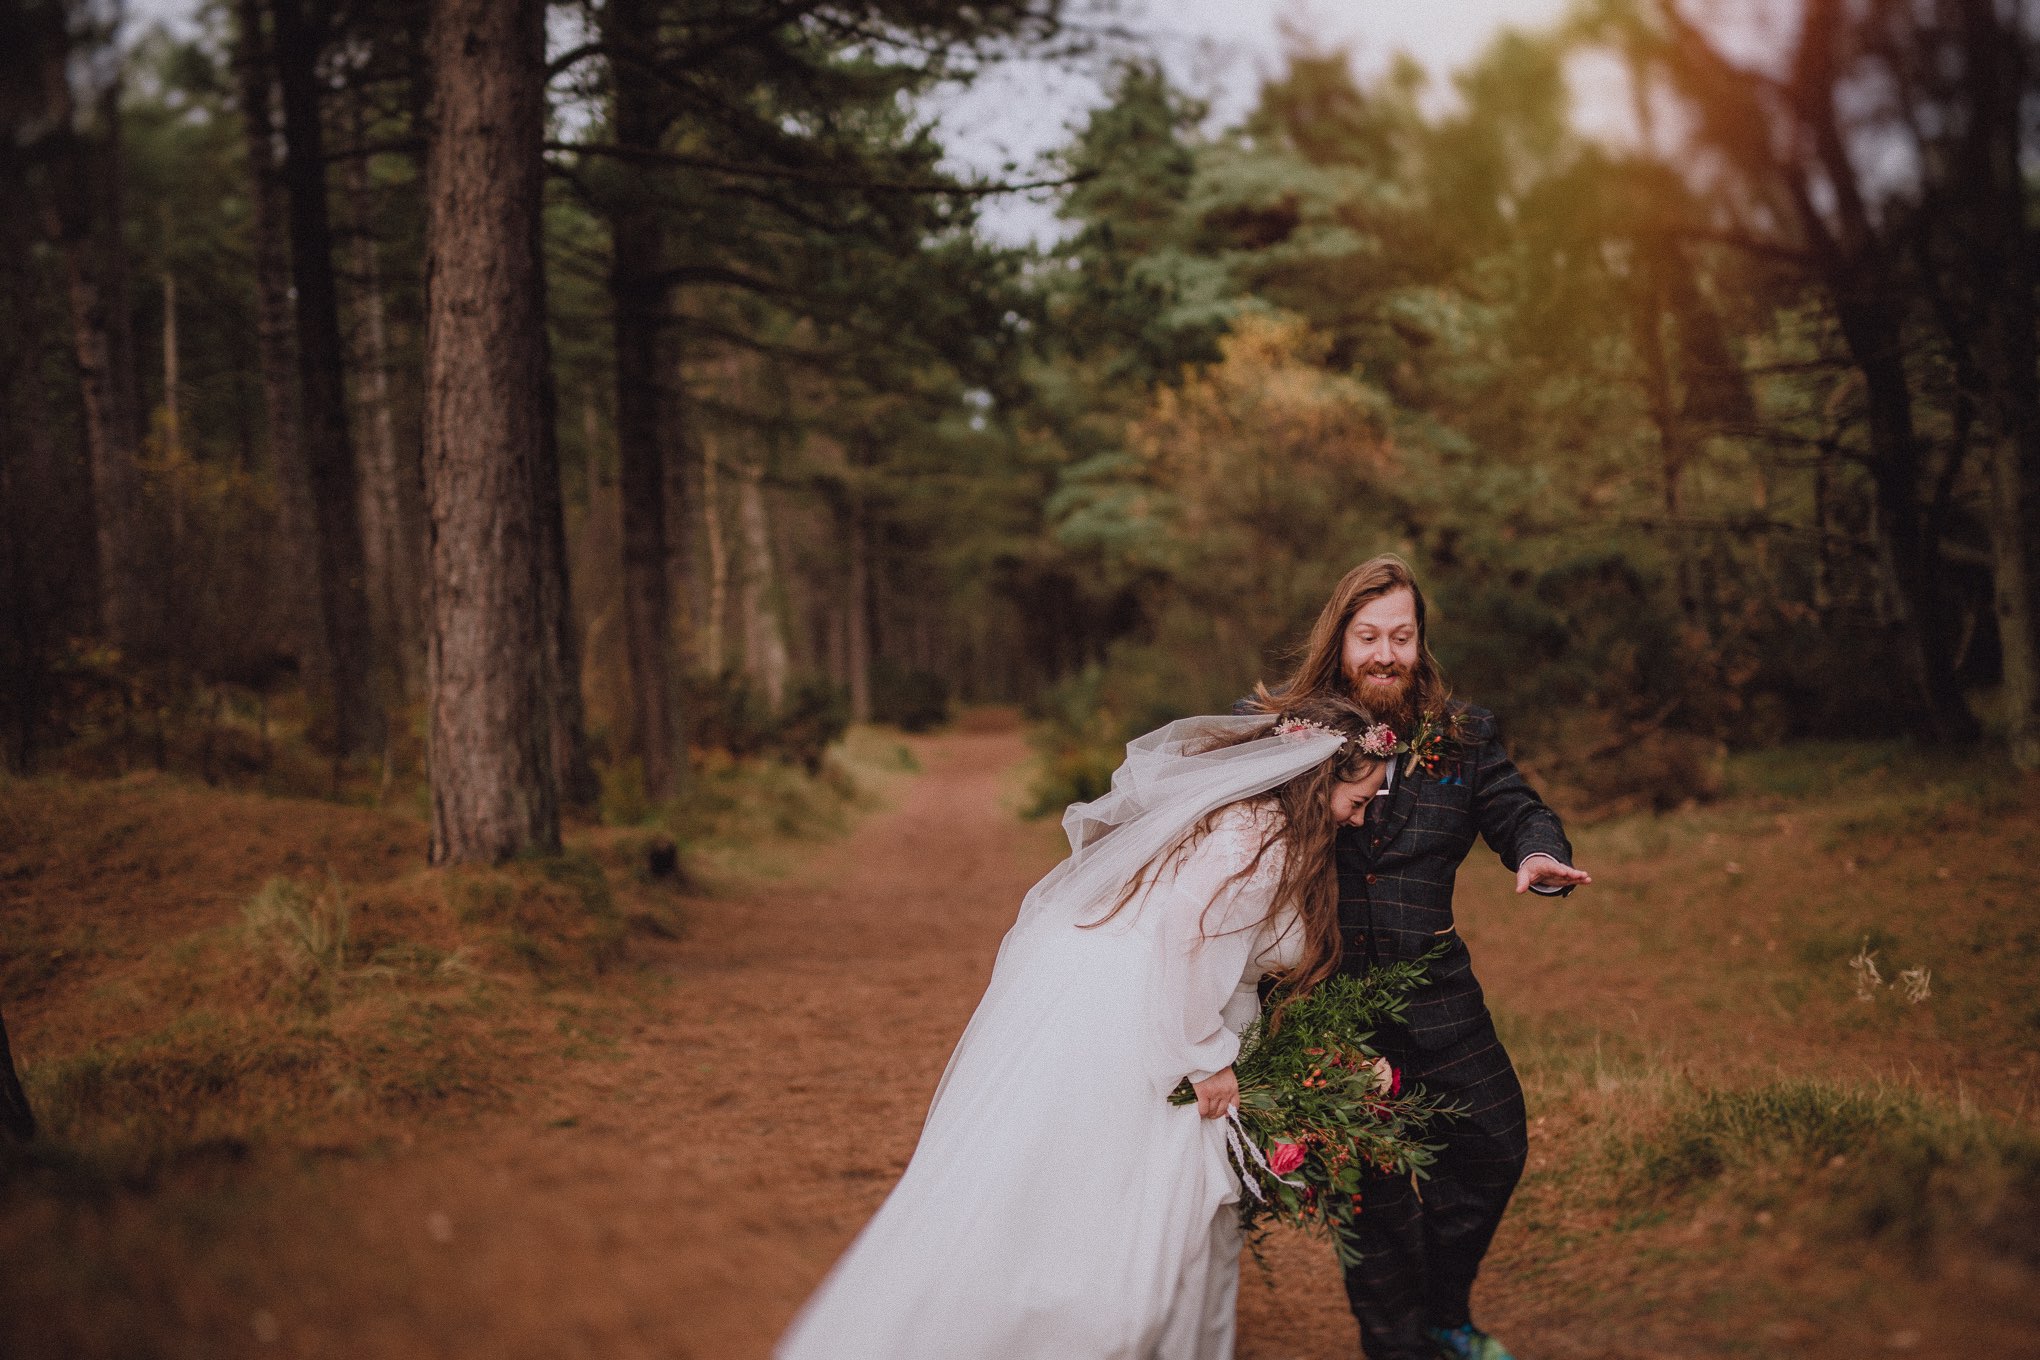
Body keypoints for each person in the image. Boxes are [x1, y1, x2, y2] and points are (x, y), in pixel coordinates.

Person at [777, 696, 1393, 1360]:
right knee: (1133, 1222)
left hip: (1158, 1010)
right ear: (1315, 778)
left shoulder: (1254, 822)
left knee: (1118, 1204)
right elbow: (1187, 942)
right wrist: (1206, 1057)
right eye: (1355, 800)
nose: (1358, 817)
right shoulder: (1258, 839)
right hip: (1168, 1032)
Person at [1247, 555, 1590, 1360]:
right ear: (1339, 640)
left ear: (1421, 641)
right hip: (1324, 1006)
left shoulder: (1465, 735)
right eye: (1368, 636)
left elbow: (1516, 808)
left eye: (1401, 635)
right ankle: (1395, 1345)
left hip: (1436, 993)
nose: (1385, 654)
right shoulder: (1286, 731)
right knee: (1371, 1199)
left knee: (1496, 1144)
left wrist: (1535, 855)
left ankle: (1443, 1312)